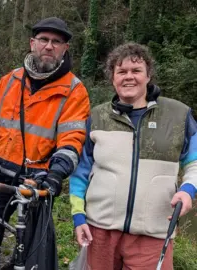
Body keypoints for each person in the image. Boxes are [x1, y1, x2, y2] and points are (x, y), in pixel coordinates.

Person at [0, 17, 91, 269]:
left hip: (38, 181)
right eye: (44, 39)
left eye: (56, 42)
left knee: (31, 249)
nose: (49, 46)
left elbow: (72, 139)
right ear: (32, 43)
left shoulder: (74, 91)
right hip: (1, 174)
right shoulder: (10, 80)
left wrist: (57, 173)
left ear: (65, 49)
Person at [69, 42, 197, 269]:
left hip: (153, 234)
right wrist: (78, 216)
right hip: (99, 231)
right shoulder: (97, 117)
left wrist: (188, 191)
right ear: (113, 78)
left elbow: (194, 163)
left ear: (149, 75)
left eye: (136, 71)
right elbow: (80, 171)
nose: (129, 77)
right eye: (121, 71)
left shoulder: (178, 115)